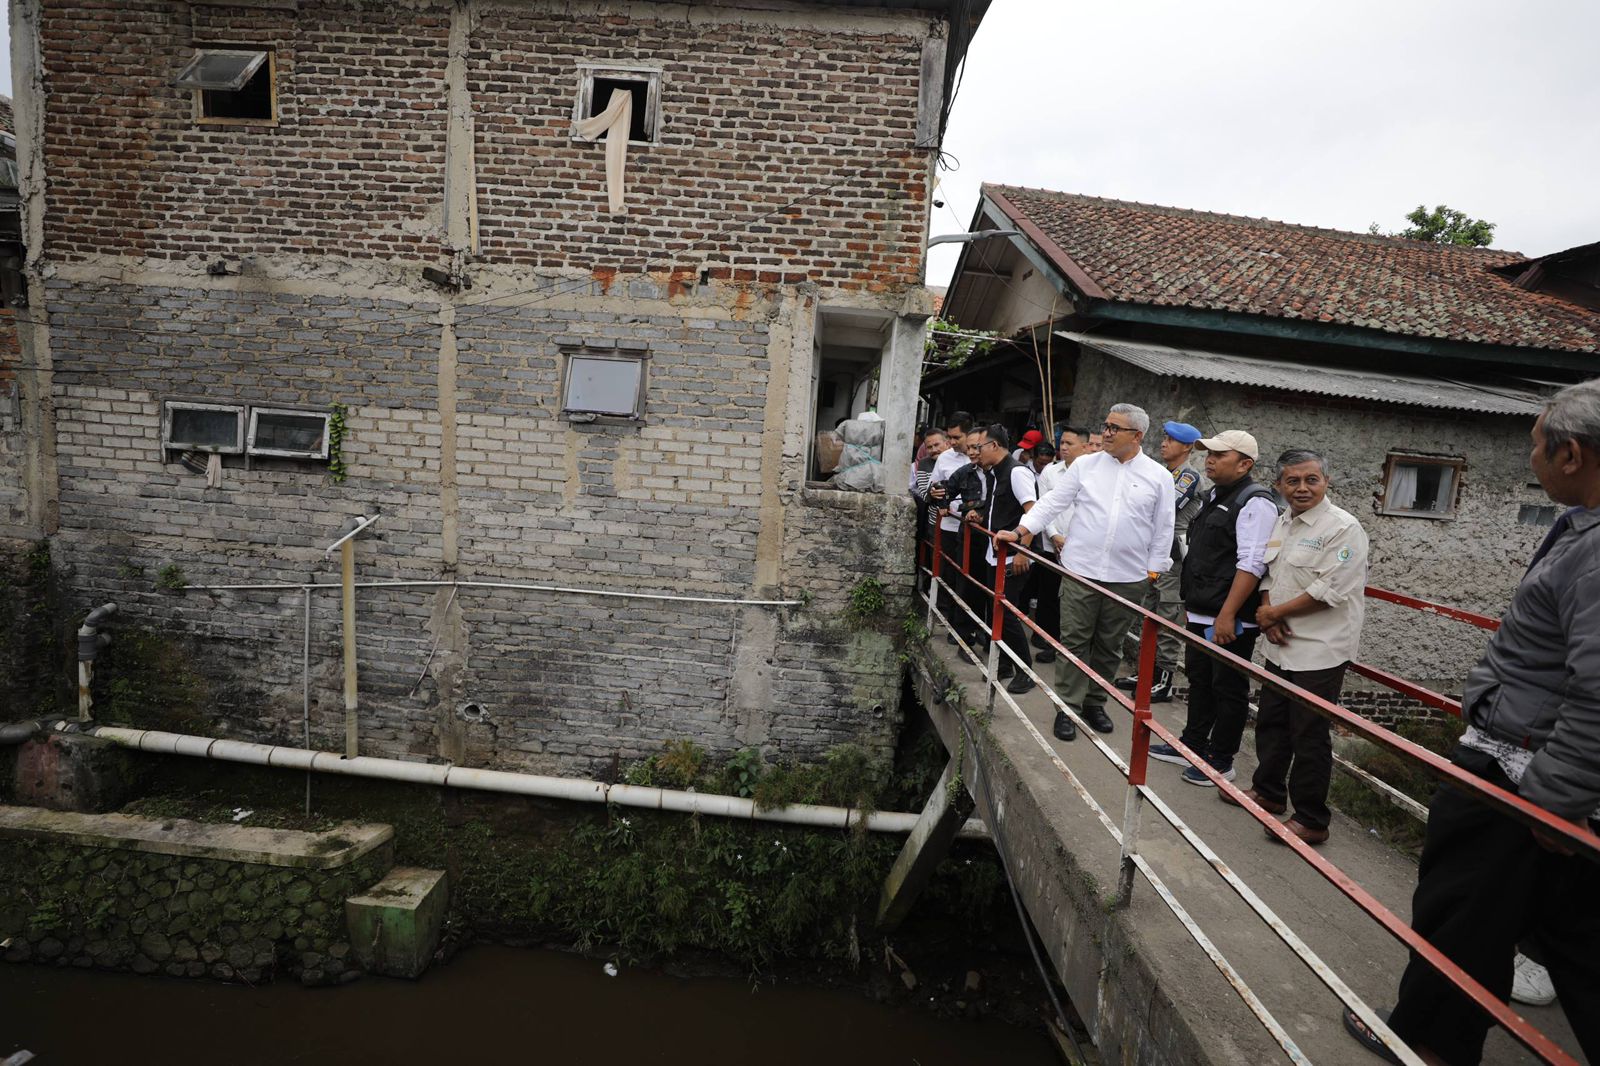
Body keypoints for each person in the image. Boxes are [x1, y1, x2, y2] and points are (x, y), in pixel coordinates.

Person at [1344, 378, 1600, 1066]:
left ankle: (1429, 1040)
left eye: (1536, 447)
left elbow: (1599, 685)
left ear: (1571, 454)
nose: (1533, 461)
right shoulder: (1580, 527)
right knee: (1573, 937)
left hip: (1522, 776)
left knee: (1460, 915)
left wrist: (1555, 799)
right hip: (1541, 771)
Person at [995, 404, 1175, 742]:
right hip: (1081, 571)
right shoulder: (1086, 467)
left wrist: (1153, 572)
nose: (1105, 433)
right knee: (1075, 640)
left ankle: (1095, 702)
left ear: (1137, 436)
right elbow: (1052, 503)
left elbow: (1164, 527)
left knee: (1110, 645)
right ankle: (1068, 707)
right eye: (1105, 425)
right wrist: (1020, 532)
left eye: (1114, 428)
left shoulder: (1158, 477)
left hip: (1128, 577)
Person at [1220, 449, 1367, 846]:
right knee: (1271, 720)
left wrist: (1271, 616)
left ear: (1326, 481)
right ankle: (1268, 793)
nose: (1301, 488)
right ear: (1281, 485)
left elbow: (1329, 590)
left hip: (1320, 648)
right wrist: (1267, 610)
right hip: (1281, 641)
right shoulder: (1285, 521)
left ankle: (1312, 819)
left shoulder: (1343, 528)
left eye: (1310, 480)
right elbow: (1271, 573)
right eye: (1293, 481)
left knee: (1309, 733)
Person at [1150, 429, 1276, 785]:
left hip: (1229, 618)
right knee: (1201, 680)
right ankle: (1191, 744)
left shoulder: (1255, 502)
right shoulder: (1213, 495)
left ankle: (1221, 759)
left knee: (1228, 688)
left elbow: (1251, 563)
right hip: (1202, 610)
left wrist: (1228, 614)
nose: (1210, 459)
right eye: (1209, 453)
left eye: (1220, 455)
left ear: (1245, 464)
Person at [1117, 420, 1207, 701]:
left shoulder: (1188, 477)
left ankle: (1164, 680)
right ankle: (1146, 673)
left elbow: (1162, 510)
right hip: (1154, 557)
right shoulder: (1164, 473)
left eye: (1171, 440)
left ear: (1188, 447)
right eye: (1165, 438)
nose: (1164, 443)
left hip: (1173, 560)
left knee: (1167, 621)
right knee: (1149, 617)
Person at [967, 424, 1038, 695]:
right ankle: (1006, 664)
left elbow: (1034, 513)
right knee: (994, 610)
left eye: (979, 447)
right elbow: (1003, 510)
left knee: (1007, 615)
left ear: (994, 446)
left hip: (1011, 558)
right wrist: (981, 517)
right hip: (993, 554)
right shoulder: (996, 473)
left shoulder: (1017, 472)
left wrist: (1023, 552)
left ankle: (1025, 670)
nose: (976, 453)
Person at [1024, 428, 1094, 663]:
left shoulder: (1095, 474)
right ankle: (1048, 640)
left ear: (1084, 447)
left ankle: (1071, 647)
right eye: (1062, 442)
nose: (1063, 447)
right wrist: (1054, 536)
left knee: (1076, 600)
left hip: (1081, 548)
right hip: (1052, 543)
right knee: (1049, 595)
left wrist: (1073, 541)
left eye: (1069, 443)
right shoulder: (1051, 473)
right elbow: (1045, 506)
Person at [928, 412, 977, 642]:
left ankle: (968, 627)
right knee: (950, 574)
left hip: (975, 528)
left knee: (970, 578)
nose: (952, 442)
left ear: (969, 434)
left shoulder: (980, 456)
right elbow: (932, 488)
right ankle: (951, 623)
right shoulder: (945, 458)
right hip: (949, 524)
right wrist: (935, 494)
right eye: (949, 437)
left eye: (956, 437)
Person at [909, 429, 949, 587]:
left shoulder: (960, 459)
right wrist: (933, 493)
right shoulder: (925, 463)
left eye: (937, 445)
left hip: (958, 522)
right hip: (935, 520)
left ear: (947, 443)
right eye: (929, 447)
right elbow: (925, 495)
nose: (933, 450)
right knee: (936, 562)